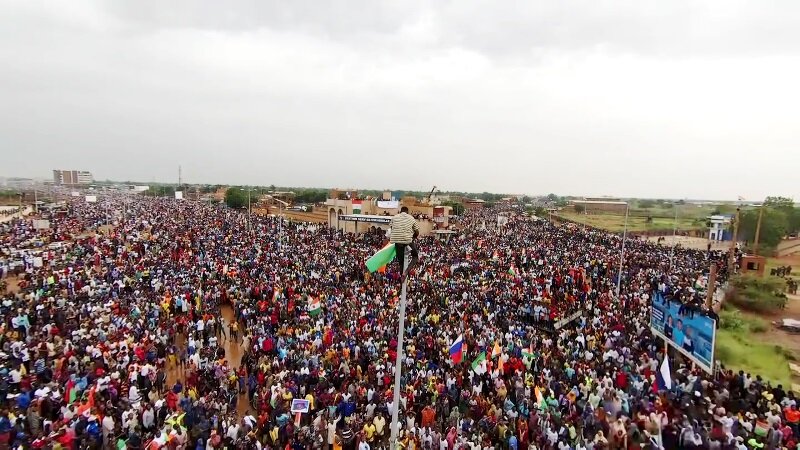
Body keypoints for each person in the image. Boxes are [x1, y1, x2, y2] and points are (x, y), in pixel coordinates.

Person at [390, 206, 419, 274]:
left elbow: (392, 227)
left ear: (400, 211)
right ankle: (406, 272)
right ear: (407, 212)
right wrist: (414, 237)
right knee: (415, 256)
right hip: (407, 240)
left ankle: (401, 274)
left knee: (401, 261)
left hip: (397, 241)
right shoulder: (411, 218)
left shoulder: (394, 217)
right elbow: (417, 232)